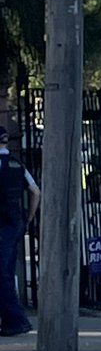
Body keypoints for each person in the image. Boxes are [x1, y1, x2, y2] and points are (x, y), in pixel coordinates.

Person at [0, 131, 38, 337]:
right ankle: (12, 320)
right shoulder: (17, 164)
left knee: (2, 274)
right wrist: (28, 218)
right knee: (5, 271)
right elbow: (35, 191)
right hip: (14, 222)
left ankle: (16, 320)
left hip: (2, 224)